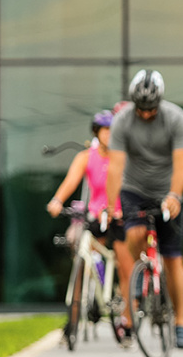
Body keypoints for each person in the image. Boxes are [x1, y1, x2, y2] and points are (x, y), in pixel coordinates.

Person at [105, 70, 183, 348]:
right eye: (141, 109)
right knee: (135, 235)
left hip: (166, 191)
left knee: (173, 259)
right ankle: (140, 277)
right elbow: (116, 167)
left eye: (151, 109)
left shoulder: (176, 119)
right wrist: (111, 206)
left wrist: (175, 196)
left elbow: (182, 165)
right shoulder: (122, 121)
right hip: (134, 189)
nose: (145, 114)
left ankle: (180, 322)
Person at [47, 109, 135, 343]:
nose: (108, 135)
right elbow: (70, 181)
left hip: (118, 216)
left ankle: (127, 322)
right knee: (82, 260)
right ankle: (72, 321)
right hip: (95, 216)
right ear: (97, 133)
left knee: (126, 267)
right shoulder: (87, 156)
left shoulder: (123, 156)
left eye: (112, 131)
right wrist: (57, 200)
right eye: (104, 131)